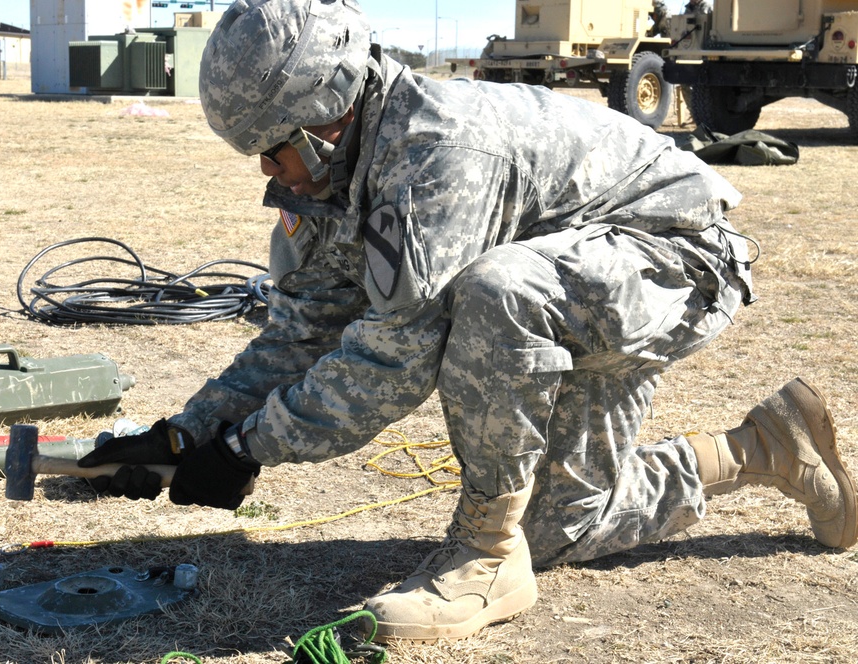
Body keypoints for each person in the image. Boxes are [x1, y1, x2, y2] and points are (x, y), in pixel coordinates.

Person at [77, 0, 857, 645]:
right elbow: (302, 330)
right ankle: (765, 447)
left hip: (676, 259)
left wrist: (250, 448)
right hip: (582, 283)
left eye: (271, 148)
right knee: (560, 528)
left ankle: (484, 559)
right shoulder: (337, 169)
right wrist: (188, 434)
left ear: (323, 119)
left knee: (495, 291)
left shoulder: (434, 150)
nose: (263, 169)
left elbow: (393, 360)